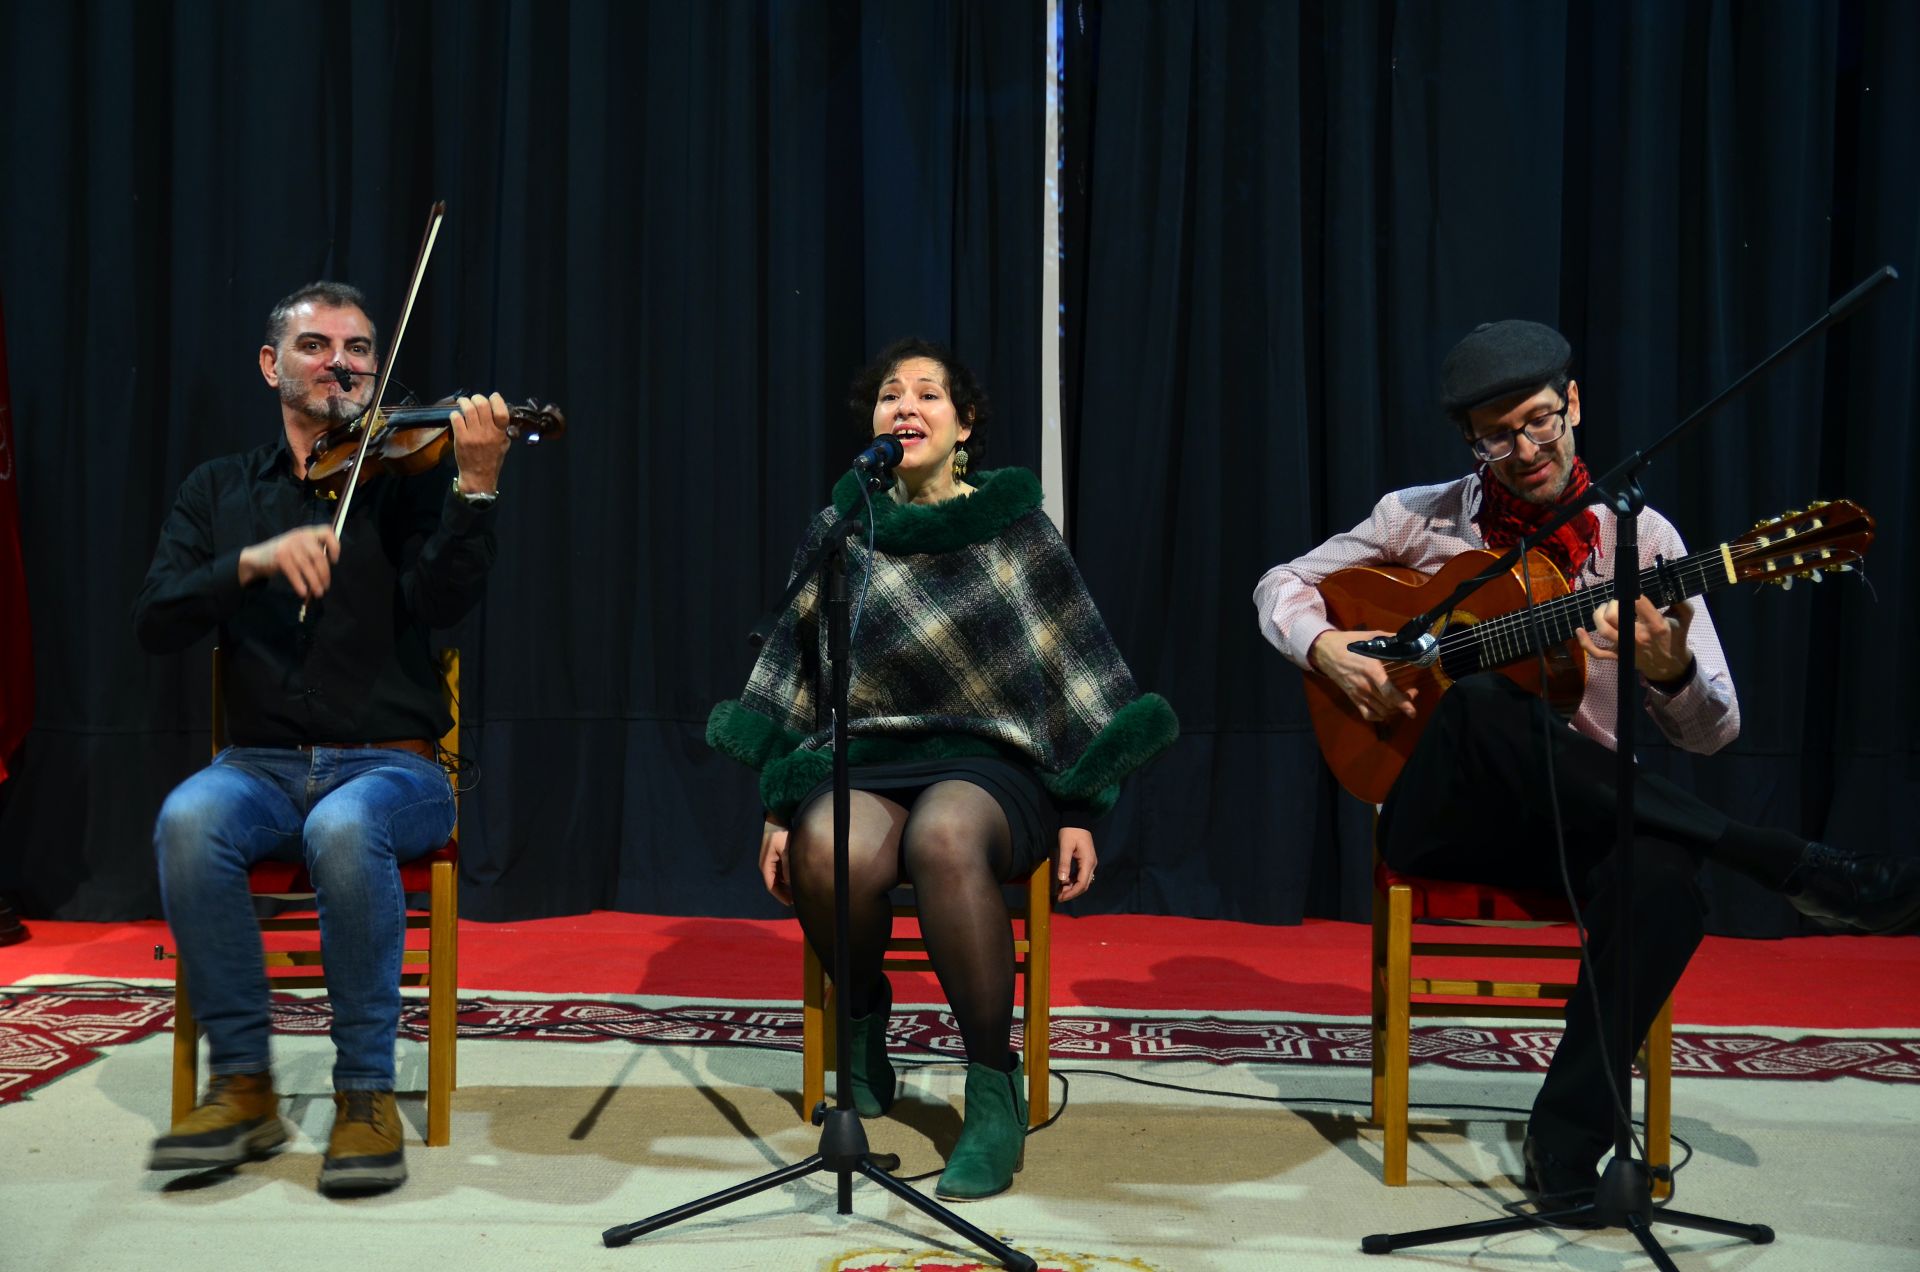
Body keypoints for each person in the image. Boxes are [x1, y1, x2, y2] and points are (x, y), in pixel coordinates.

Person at [1254, 319, 1920, 1199]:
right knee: (1486, 703)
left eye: (1538, 420)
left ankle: (1565, 1145)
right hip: (1441, 817)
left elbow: (1713, 730)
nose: (1524, 448)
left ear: (1573, 403)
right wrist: (1328, 649)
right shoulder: (1415, 520)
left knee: (1664, 879)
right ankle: (1782, 860)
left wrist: (1668, 670)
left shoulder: (1643, 545)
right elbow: (1280, 584)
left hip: (1583, 815)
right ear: (1471, 440)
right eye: (1497, 434)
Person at [708, 338, 1178, 1201]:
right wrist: (779, 805)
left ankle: (991, 1088)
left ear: (965, 428)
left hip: (991, 764)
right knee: (828, 849)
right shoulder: (844, 528)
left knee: (945, 836)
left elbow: (1078, 663)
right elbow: (795, 670)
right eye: (891, 395)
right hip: (867, 757)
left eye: (929, 394)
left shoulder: (1012, 525)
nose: (906, 406)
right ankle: (860, 1024)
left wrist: (1079, 807)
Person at [135, 281, 513, 1195]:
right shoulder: (219, 489)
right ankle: (243, 1086)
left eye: (359, 351)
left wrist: (475, 486)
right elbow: (156, 621)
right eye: (317, 346)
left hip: (396, 765)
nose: (340, 363)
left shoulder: (409, 486)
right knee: (189, 818)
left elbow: (444, 604)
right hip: (259, 765)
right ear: (273, 365)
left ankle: (363, 1094)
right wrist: (250, 564)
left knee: (343, 826)